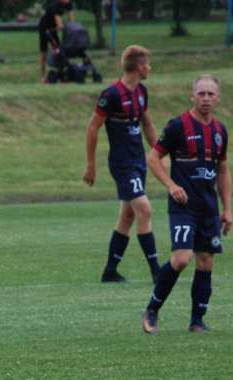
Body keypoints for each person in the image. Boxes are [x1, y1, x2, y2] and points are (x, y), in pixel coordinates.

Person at [141, 74, 233, 334]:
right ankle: (152, 310)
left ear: (218, 98)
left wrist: (227, 208)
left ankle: (197, 321)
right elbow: (153, 158)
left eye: (210, 94)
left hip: (209, 207)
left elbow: (223, 170)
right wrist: (172, 185)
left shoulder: (220, 131)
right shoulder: (177, 126)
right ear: (191, 96)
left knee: (206, 261)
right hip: (183, 206)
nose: (205, 98)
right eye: (201, 93)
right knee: (182, 258)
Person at [83, 45, 161, 284]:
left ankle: (110, 271)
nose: (149, 67)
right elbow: (93, 127)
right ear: (138, 66)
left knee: (127, 216)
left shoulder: (141, 92)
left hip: (138, 162)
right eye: (147, 63)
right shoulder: (111, 94)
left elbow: (147, 125)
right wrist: (91, 166)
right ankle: (157, 272)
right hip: (122, 164)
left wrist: (159, 152)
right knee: (145, 210)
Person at [38, 0, 74, 81]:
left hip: (53, 28)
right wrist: (63, 27)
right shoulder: (55, 5)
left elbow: (71, 19)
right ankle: (42, 76)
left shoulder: (69, 4)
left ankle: (60, 73)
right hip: (44, 28)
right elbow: (59, 23)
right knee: (43, 52)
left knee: (58, 50)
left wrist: (73, 27)